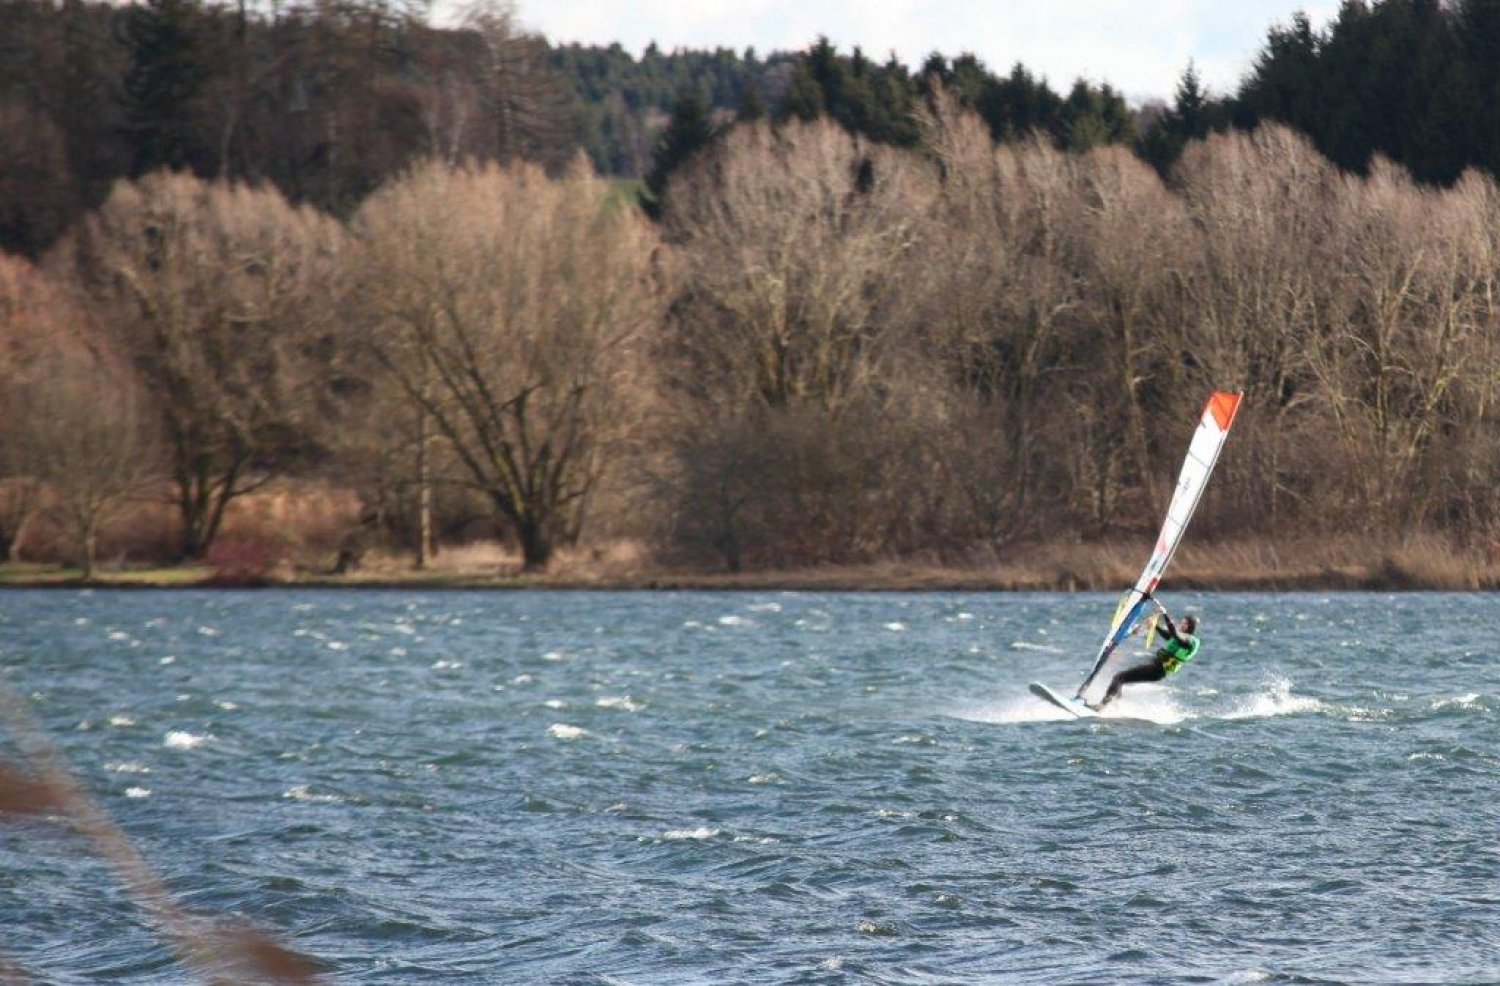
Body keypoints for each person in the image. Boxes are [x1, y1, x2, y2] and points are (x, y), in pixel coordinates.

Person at [1093, 600, 1199, 710]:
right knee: (1121, 679)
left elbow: (1174, 634)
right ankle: (1114, 705)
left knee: (1119, 677)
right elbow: (1168, 635)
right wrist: (1155, 626)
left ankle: (1102, 706)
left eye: (1185, 623)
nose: (1182, 624)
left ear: (1191, 627)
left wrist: (1165, 615)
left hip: (1157, 670)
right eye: (1182, 622)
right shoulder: (1181, 637)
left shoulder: (1188, 640)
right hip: (1155, 668)